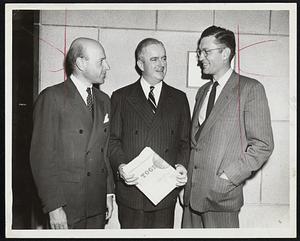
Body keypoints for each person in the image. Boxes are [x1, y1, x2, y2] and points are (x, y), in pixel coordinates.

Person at [182, 25, 274, 228]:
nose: (200, 58)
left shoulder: (251, 89)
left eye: (206, 52)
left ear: (225, 53)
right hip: (191, 197)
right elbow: (197, 142)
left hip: (220, 198)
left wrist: (227, 178)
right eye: (199, 52)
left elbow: (263, 145)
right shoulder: (203, 91)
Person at [30, 37, 114, 229]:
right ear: (81, 63)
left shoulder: (104, 100)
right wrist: (53, 206)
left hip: (96, 203)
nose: (107, 66)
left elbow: (105, 152)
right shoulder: (52, 97)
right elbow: (41, 158)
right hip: (67, 204)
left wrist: (108, 193)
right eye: (101, 61)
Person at [109, 38, 191, 228]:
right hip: (132, 194)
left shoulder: (179, 99)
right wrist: (121, 167)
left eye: (164, 58)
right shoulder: (121, 97)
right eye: (154, 59)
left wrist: (181, 165)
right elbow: (113, 141)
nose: (161, 64)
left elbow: (184, 143)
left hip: (164, 193)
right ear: (140, 64)